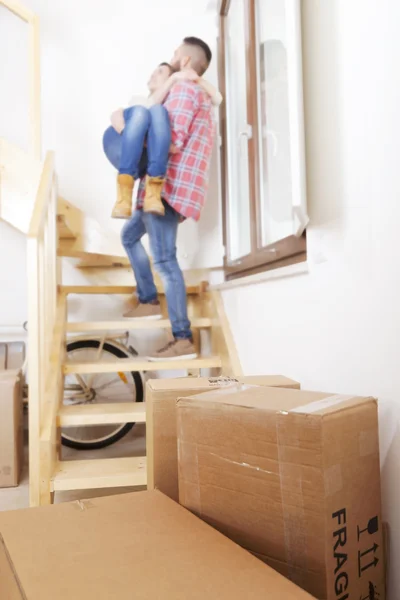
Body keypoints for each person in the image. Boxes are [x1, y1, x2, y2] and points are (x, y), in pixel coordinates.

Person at [120, 36, 216, 361]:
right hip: (165, 188)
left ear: (185, 61)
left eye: (176, 53)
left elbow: (171, 139)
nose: (172, 57)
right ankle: (147, 299)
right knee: (129, 235)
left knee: (164, 261)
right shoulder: (191, 88)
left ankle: (182, 337)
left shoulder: (186, 90)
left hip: (168, 189)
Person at [103, 61, 221, 219]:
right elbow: (122, 114)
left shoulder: (167, 107)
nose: (153, 73)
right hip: (117, 143)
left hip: (142, 158)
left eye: (160, 72)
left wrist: (195, 79)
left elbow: (218, 99)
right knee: (142, 112)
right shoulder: (139, 99)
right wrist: (129, 133)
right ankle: (123, 198)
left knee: (158, 112)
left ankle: (152, 195)